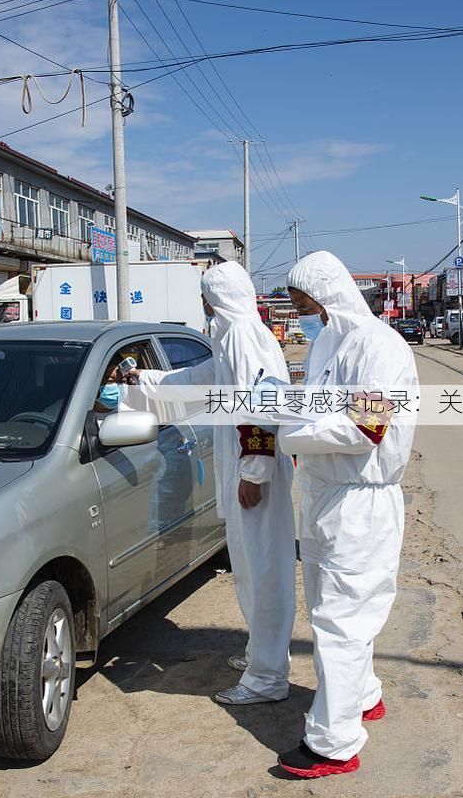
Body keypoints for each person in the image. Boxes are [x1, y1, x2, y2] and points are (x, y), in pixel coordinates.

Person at [268, 250, 418, 779]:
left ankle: (334, 742)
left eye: (306, 305)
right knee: (338, 610)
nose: (302, 315)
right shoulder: (327, 343)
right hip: (325, 493)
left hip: (360, 500)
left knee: (341, 621)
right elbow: (319, 406)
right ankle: (364, 694)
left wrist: (288, 431)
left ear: (329, 297)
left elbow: (366, 427)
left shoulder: (379, 347)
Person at [135, 260, 297, 705]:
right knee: (249, 569)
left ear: (219, 297)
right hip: (245, 468)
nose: (203, 305)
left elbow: (262, 406)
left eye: (206, 296)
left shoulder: (246, 337)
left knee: (263, 571)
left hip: (255, 472)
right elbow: (196, 380)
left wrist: (254, 473)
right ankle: (262, 656)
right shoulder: (229, 337)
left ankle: (268, 679)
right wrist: (142, 381)